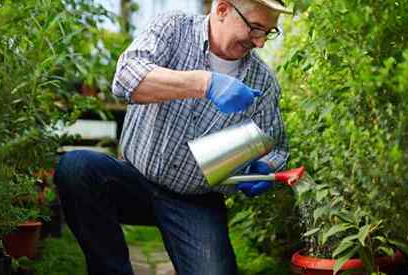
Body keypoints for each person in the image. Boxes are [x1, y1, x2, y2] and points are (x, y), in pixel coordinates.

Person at [54, 0, 291, 274]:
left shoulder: (263, 82)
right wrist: (205, 83)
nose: (260, 43)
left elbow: (276, 146)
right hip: (132, 180)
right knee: (76, 168)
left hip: (196, 201)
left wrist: (264, 168)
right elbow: (125, 80)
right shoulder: (173, 28)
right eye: (255, 28)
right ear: (223, 9)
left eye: (268, 33)